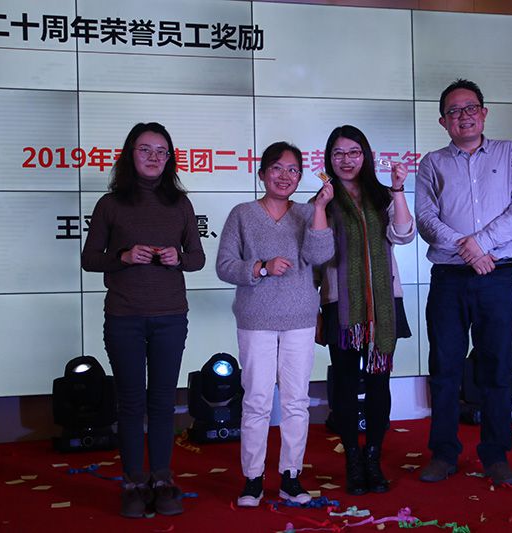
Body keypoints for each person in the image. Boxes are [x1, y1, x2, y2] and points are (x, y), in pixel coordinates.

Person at [81, 122, 205, 518]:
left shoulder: (180, 204)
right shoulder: (110, 204)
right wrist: (122, 256)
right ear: (129, 155)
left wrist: (177, 258)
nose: (153, 157)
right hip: (124, 317)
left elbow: (198, 258)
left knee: (164, 401)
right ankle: (134, 482)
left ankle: (163, 479)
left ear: (170, 158)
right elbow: (89, 259)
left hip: (171, 316)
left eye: (161, 151)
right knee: (132, 402)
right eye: (145, 149)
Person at [415, 79, 512, 486]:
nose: (463, 116)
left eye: (470, 108)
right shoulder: (432, 163)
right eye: (453, 111)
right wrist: (467, 250)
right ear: (442, 121)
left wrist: (481, 244)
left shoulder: (507, 152)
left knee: (497, 366)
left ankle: (496, 455)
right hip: (449, 280)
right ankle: (444, 454)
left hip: (496, 277)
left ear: (484, 113)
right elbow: (426, 219)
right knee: (444, 367)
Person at [216, 141, 334, 507]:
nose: (285, 176)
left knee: (297, 401)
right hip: (256, 320)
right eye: (277, 169)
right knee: (257, 400)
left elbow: (321, 255)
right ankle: (252, 479)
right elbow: (224, 265)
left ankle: (290, 477)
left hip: (300, 319)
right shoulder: (242, 214)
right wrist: (261, 267)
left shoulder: (307, 212)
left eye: (293, 170)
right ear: (262, 173)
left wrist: (320, 209)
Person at [318, 125, 415, 495]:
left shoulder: (381, 194)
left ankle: (373, 458)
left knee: (379, 383)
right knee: (344, 385)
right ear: (329, 158)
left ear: (366, 156)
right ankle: (352, 462)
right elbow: (315, 256)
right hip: (341, 306)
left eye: (354, 152)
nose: (346, 160)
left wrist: (398, 189)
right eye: (338, 153)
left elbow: (403, 234)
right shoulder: (323, 199)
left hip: (384, 305)